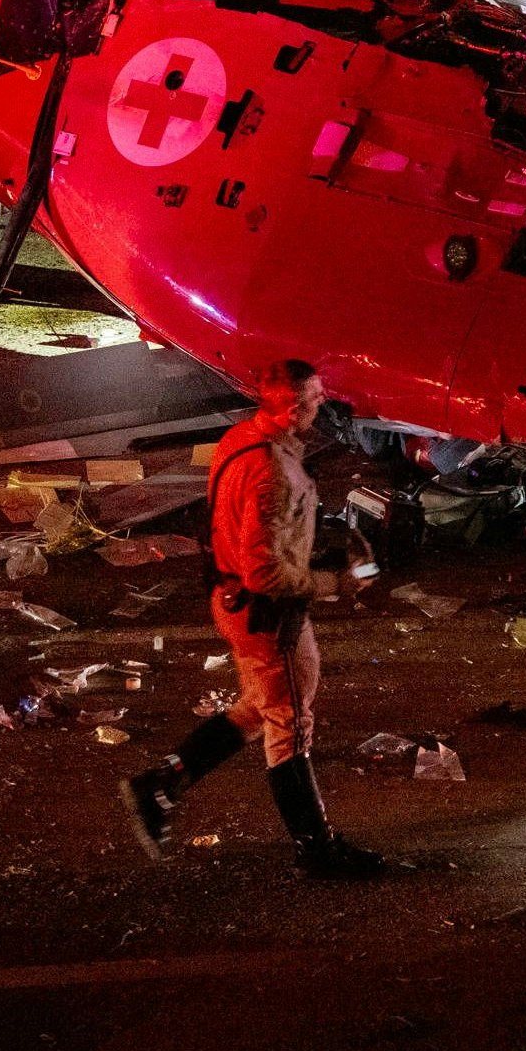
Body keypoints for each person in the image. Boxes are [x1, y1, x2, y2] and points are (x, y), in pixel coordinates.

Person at [122, 360, 389, 879]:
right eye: (314, 397)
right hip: (269, 617)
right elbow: (264, 571)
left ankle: (162, 784)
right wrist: (338, 583)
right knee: (289, 725)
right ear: (291, 407)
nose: (323, 402)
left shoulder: (241, 439)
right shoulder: (271, 471)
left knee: (260, 707)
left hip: (232, 603)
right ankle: (317, 850)